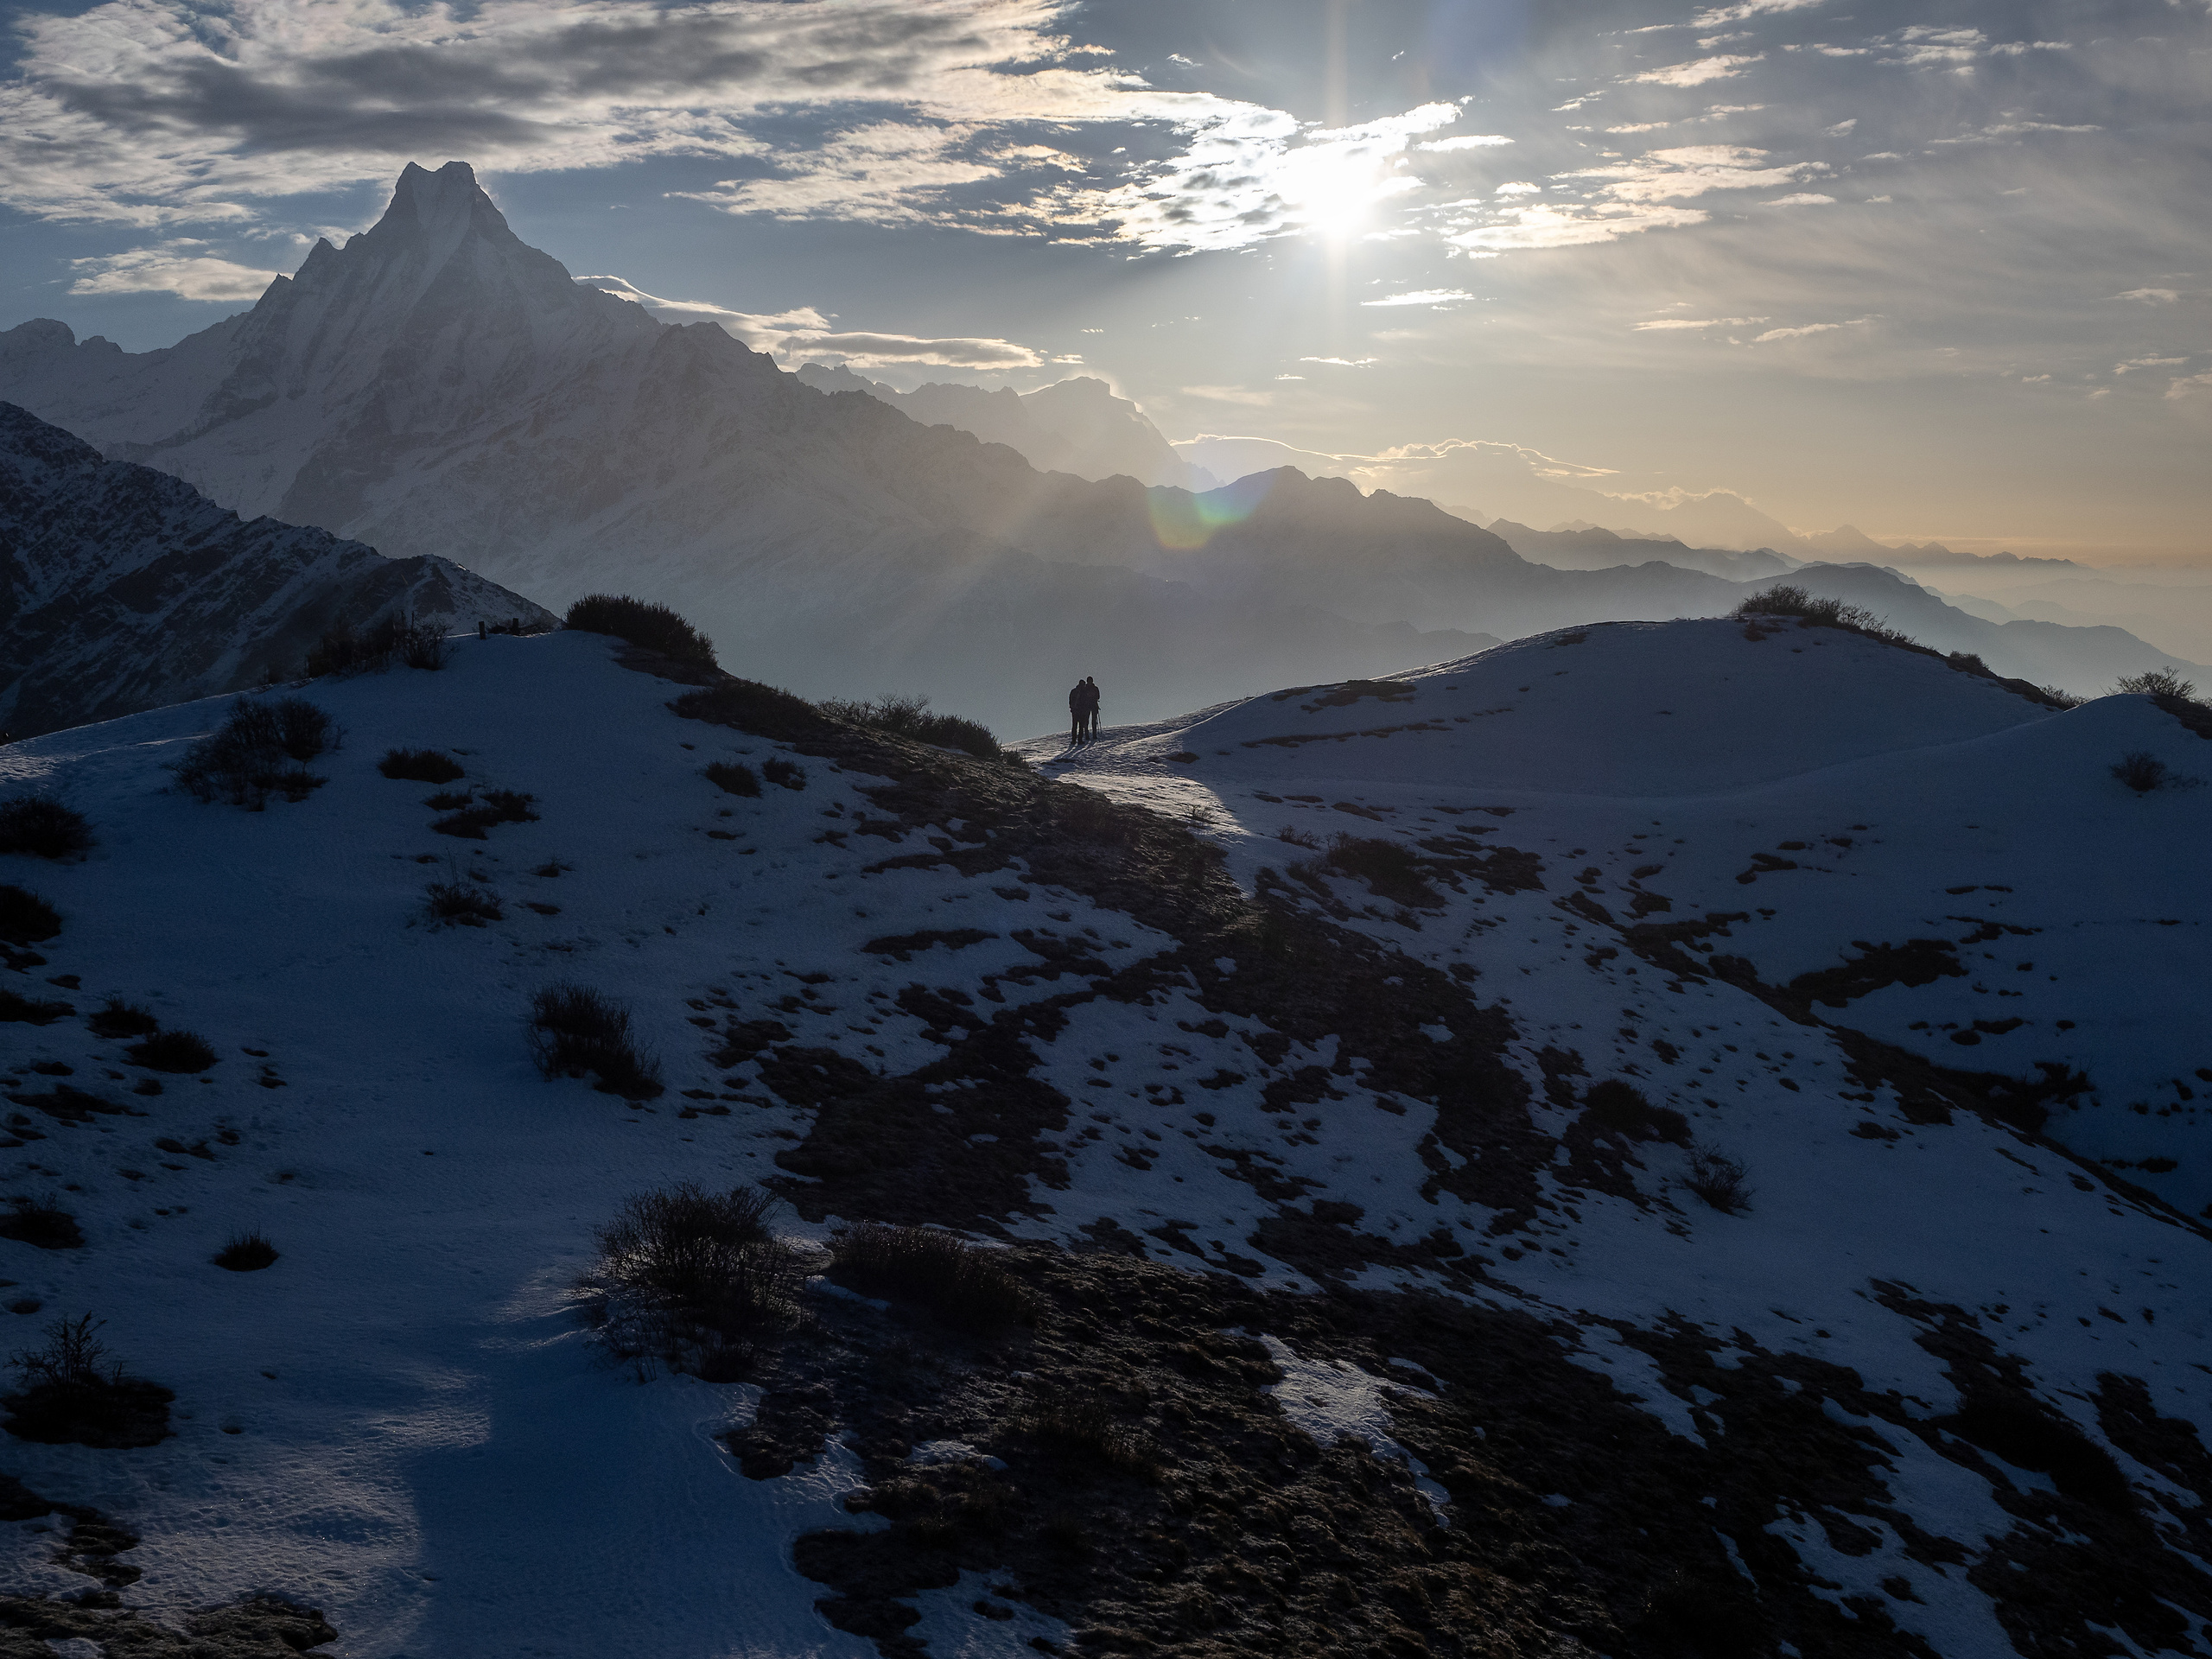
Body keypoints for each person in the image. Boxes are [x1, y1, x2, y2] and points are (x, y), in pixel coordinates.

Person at [1079, 676, 1102, 740]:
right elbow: (1098, 696)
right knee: (1090, 720)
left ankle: (1089, 735)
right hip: (1091, 705)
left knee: (1090, 720)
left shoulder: (1085, 688)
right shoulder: (1095, 688)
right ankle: (1090, 735)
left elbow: (1098, 696)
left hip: (1089, 705)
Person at [1067, 679, 1087, 747]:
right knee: (1081, 726)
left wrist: (1071, 707)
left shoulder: (1074, 691)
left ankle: (1073, 740)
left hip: (1075, 710)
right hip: (1081, 711)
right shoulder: (1083, 692)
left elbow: (1070, 700)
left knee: (1074, 725)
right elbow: (1085, 702)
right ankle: (1079, 740)